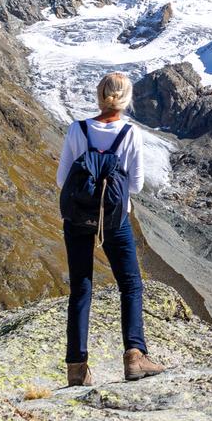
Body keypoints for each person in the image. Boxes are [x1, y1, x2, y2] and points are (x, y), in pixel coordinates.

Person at [56, 70, 166, 386]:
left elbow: (62, 180)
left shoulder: (77, 130)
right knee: (130, 284)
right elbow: (136, 185)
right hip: (115, 219)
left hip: (77, 218)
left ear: (99, 96)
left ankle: (77, 367)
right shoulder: (129, 134)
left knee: (81, 286)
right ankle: (134, 355)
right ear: (127, 100)